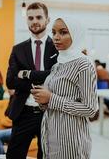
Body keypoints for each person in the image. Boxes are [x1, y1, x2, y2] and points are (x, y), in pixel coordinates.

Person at [31, 17, 98, 159]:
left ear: (75, 34)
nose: (56, 37)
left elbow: (91, 109)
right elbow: (52, 102)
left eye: (63, 32)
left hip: (70, 142)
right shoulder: (58, 65)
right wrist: (43, 100)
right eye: (54, 32)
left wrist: (51, 98)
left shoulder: (83, 65)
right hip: (50, 138)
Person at [6, 2, 58, 159]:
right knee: (14, 155)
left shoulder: (58, 48)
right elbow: (10, 81)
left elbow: (58, 76)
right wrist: (45, 77)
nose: (34, 21)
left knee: (46, 155)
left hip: (50, 112)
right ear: (27, 21)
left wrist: (27, 74)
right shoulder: (18, 49)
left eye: (39, 17)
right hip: (24, 112)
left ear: (47, 20)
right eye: (30, 18)